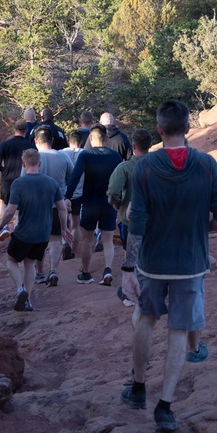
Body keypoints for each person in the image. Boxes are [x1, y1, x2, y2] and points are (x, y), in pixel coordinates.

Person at [120, 100, 217, 433]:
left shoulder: (145, 167)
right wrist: (201, 231)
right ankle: (165, 407)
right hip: (190, 264)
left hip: (152, 263)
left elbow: (137, 221)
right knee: (180, 329)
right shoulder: (207, 165)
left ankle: (138, 389)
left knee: (146, 318)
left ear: (159, 129)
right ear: (188, 128)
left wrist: (128, 269)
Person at [0, 149, 68, 312]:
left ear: (23, 164)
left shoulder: (18, 183)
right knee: (30, 263)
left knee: (11, 260)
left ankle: (20, 289)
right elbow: (62, 208)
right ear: (39, 164)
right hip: (43, 234)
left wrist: (0, 226)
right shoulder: (51, 183)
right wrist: (64, 228)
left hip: (24, 232)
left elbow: (10, 211)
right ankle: (27, 300)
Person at [65, 125, 122, 286]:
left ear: (90, 138)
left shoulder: (86, 155)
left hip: (89, 203)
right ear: (106, 138)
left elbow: (75, 176)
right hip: (109, 203)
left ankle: (85, 273)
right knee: (108, 240)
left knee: (87, 240)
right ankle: (108, 270)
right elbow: (120, 179)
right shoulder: (115, 156)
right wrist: (119, 199)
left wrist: (67, 196)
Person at [21, 126, 73, 287]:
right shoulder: (63, 156)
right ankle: (53, 270)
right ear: (52, 140)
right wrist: (67, 195)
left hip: (36, 207)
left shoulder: (32, 159)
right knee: (56, 239)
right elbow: (71, 177)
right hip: (58, 204)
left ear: (36, 140)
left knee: (39, 241)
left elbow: (23, 182)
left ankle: (40, 273)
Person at [106, 128, 153, 307]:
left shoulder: (125, 168)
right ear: (150, 145)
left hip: (131, 220)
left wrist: (117, 204)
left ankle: (130, 292)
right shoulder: (161, 166)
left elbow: (113, 192)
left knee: (131, 254)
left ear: (133, 146)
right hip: (156, 220)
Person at [0, 119, 35, 240]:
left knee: (5, 203)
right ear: (26, 130)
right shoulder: (30, 146)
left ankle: (5, 227)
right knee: (20, 207)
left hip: (7, 179)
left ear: (14, 129)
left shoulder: (5, 144)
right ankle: (17, 230)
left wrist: (3, 170)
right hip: (23, 179)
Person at [59, 130, 85, 260]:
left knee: (64, 221)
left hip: (63, 194)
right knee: (76, 223)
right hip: (78, 193)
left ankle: (65, 243)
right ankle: (72, 250)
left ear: (68, 141)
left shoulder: (61, 153)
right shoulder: (85, 154)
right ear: (81, 142)